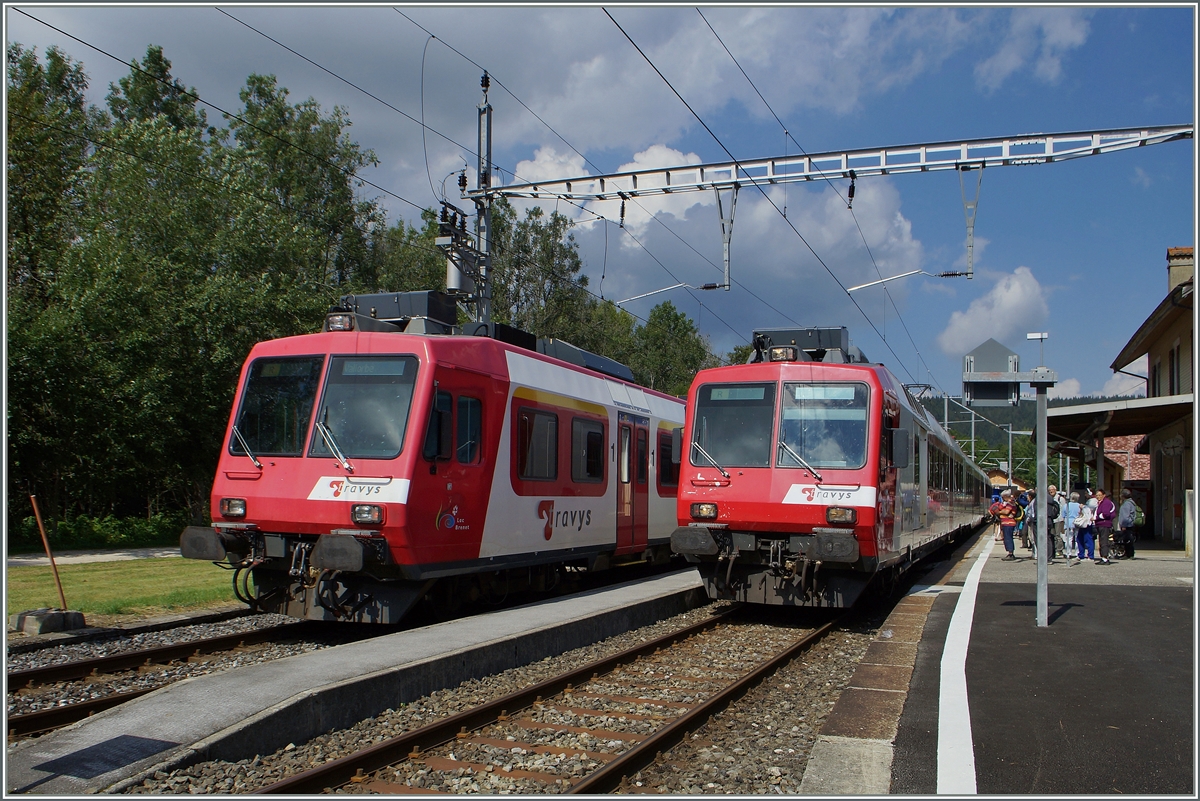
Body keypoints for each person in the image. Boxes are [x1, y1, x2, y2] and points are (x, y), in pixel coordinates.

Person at [990, 490, 1020, 561]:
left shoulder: (1011, 503)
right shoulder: (1006, 503)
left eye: (1003, 497)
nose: (1002, 499)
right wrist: (1001, 511)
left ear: (1006, 497)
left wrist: (999, 512)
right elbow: (1000, 508)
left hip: (1009, 523)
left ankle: (1011, 554)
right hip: (1005, 522)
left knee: (1008, 538)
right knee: (1006, 538)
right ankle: (1009, 553)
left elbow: (1006, 512)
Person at [1093, 488, 1117, 565]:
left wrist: (1096, 518)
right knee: (1102, 541)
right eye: (1097, 495)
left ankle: (1105, 558)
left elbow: (1105, 514)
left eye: (1100, 495)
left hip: (1104, 524)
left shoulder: (1106, 503)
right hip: (1101, 524)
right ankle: (1103, 557)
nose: (1098, 497)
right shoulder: (1101, 503)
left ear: (1104, 495)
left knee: (1104, 541)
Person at [1117, 488, 1138, 559]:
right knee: (1129, 540)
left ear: (1123, 496)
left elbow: (1125, 516)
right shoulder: (1132, 503)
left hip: (1127, 525)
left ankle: (1128, 554)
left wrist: (1124, 525)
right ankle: (1130, 554)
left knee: (1127, 540)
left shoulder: (1126, 504)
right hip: (1130, 524)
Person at [1074, 496, 1095, 562]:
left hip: (1087, 524)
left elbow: (1088, 512)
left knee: (1088, 540)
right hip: (1082, 525)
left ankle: (1090, 556)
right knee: (1079, 539)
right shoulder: (1087, 504)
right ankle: (1081, 555)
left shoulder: (1093, 503)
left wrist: (1083, 507)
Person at [1063, 491, 1082, 562]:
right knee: (1077, 539)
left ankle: (1068, 552)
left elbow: (1063, 515)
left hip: (1068, 522)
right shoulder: (1079, 506)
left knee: (1069, 539)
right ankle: (1077, 552)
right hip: (1077, 523)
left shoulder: (1066, 505)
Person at [1049, 484, 1067, 557]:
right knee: (1052, 535)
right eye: (1049, 491)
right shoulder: (1049, 498)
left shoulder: (1060, 498)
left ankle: (1059, 550)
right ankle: (1053, 550)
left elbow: (1064, 509)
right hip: (1051, 519)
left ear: (1055, 490)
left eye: (1052, 490)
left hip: (1059, 519)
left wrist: (1063, 519)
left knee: (1058, 535)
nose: (1051, 492)